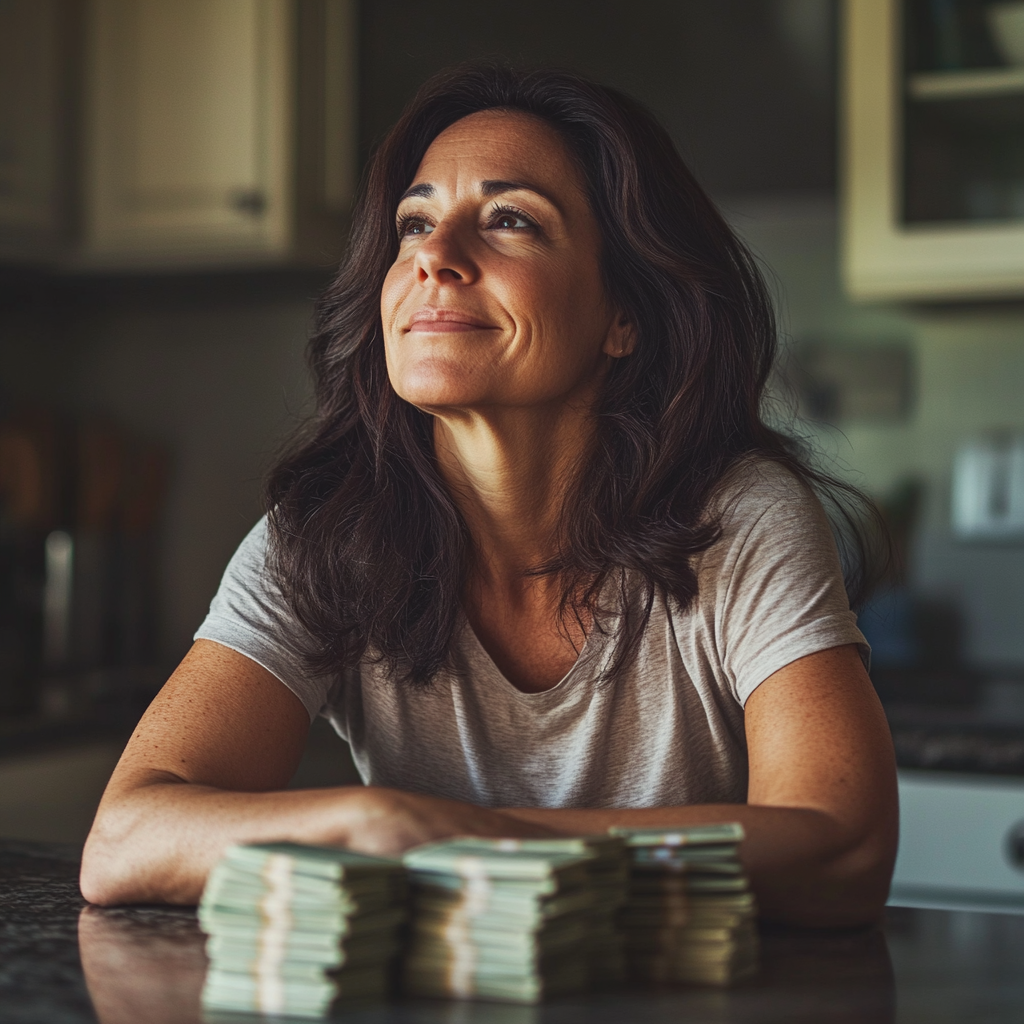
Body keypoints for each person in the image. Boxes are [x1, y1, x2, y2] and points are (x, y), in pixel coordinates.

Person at [80, 64, 898, 927]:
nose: (434, 257)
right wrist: (368, 821)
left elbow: (841, 846)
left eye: (509, 220)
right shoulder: (327, 535)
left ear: (627, 312)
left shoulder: (736, 518)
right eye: (415, 223)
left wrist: (472, 842)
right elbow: (125, 839)